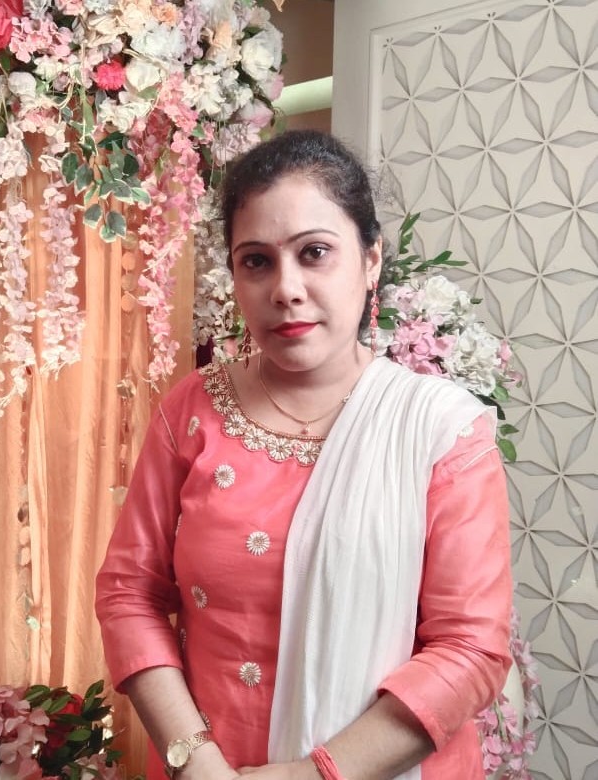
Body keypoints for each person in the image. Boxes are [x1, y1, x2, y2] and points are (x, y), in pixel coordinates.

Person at [95, 129, 512, 780]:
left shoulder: (441, 431)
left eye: (314, 253)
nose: (285, 288)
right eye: (256, 261)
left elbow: (472, 647)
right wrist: (191, 757)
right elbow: (130, 594)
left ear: (371, 260)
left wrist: (312, 775)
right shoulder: (192, 410)